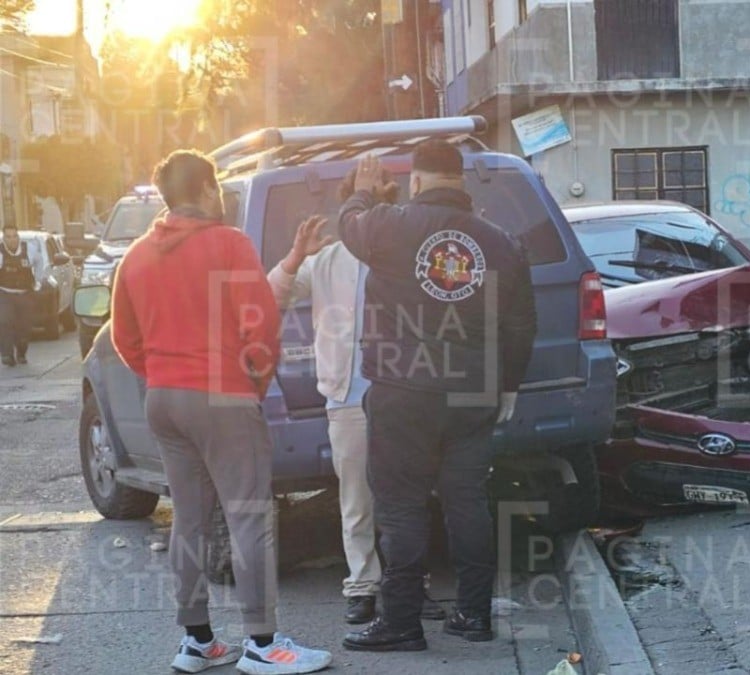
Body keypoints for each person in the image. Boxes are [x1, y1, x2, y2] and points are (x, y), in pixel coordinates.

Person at [110, 150, 332, 675]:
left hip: (164, 398)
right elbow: (260, 327)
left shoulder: (136, 256)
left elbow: (125, 339)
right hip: (223, 396)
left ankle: (198, 642)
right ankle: (262, 643)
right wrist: (250, 383)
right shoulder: (229, 244)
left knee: (188, 520)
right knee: (249, 517)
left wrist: (162, 372)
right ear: (208, 190)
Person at [339, 141, 537, 652]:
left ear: (418, 181)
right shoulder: (503, 242)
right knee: (467, 501)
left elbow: (350, 228)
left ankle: (402, 623)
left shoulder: (391, 224)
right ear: (461, 181)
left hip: (404, 389)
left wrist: (361, 193)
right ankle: (474, 615)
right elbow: (520, 326)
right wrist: (509, 384)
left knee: (401, 505)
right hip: (474, 391)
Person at [266, 171, 446, 626]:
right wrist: (293, 258)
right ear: (351, 213)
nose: (377, 216)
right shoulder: (327, 259)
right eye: (368, 206)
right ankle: (363, 585)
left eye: (385, 204)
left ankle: (408, 583)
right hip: (349, 396)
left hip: (406, 394)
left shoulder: (409, 255)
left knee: (408, 496)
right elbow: (272, 298)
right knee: (357, 497)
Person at [0, 225, 42, 366]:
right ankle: (7, 354)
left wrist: (38, 281)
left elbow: (40, 262)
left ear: (18, 237)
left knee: (24, 326)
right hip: (5, 294)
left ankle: (21, 352)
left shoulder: (29, 249)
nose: (12, 240)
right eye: (8, 237)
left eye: (14, 236)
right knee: (5, 322)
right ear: (4, 238)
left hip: (25, 294)